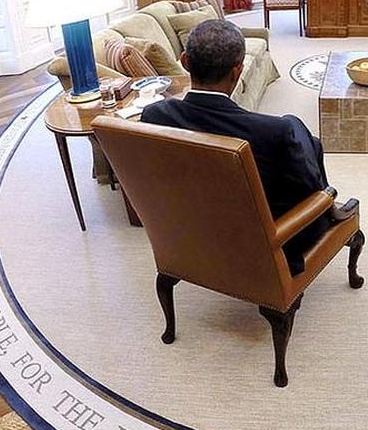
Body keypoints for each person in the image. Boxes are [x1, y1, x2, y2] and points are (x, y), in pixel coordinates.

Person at [140, 19, 331, 275]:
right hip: (267, 243)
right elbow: (309, 189)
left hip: (190, 234)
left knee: (301, 135)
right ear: (237, 71)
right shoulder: (272, 132)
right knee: (305, 139)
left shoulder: (154, 116)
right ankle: (332, 209)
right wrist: (324, 196)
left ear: (185, 61)